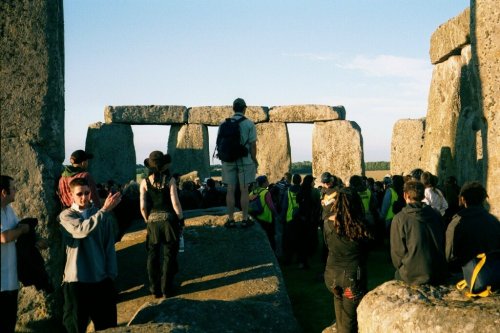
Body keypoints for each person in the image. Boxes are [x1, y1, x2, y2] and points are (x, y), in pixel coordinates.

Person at [59, 177, 122, 333]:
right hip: (76, 281)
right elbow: (82, 230)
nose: (84, 197)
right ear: (71, 195)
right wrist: (104, 211)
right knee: (75, 327)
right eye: (79, 193)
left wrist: (111, 274)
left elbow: (109, 246)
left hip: (101, 279)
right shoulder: (66, 216)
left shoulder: (100, 214)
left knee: (107, 326)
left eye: (87, 193)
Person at [323, 188, 373, 333]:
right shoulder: (360, 226)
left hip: (331, 274)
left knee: (338, 302)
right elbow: (366, 249)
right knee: (350, 322)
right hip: (352, 278)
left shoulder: (328, 224)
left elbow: (327, 245)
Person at [140, 151, 184, 298]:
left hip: (152, 220)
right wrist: (181, 219)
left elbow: (143, 206)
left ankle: (154, 288)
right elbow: (175, 202)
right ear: (164, 165)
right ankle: (166, 288)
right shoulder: (170, 180)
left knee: (152, 255)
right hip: (168, 220)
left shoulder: (144, 182)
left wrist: (147, 220)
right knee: (169, 255)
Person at [390, 181, 448, 285]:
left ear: (405, 195)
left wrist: (403, 267)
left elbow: (397, 253)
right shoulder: (436, 214)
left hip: (411, 274)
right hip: (437, 271)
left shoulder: (399, 219)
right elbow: (443, 242)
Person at [445, 182, 500, 274]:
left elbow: (449, 255)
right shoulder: (493, 220)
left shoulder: (457, 222)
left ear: (463, 199)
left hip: (466, 273)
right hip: (492, 271)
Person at [219, 98, 258, 228]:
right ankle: (245, 219)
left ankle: (230, 219)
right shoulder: (249, 124)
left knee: (230, 190)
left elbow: (220, 143)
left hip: (228, 159)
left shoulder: (224, 123)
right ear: (244, 108)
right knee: (244, 190)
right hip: (244, 160)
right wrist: (254, 160)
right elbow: (252, 146)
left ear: (233, 108)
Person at [1, 175, 30, 333]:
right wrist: (23, 230)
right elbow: (4, 237)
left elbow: (16, 231)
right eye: (13, 188)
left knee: (9, 324)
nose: (16, 191)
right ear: (4, 192)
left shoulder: (8, 210)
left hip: (10, 282)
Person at [249, 175, 278, 250]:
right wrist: (276, 214)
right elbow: (271, 206)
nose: (268, 182)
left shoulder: (252, 192)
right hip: (267, 219)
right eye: (267, 181)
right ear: (264, 183)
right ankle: (272, 253)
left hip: (256, 218)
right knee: (271, 238)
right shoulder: (266, 192)